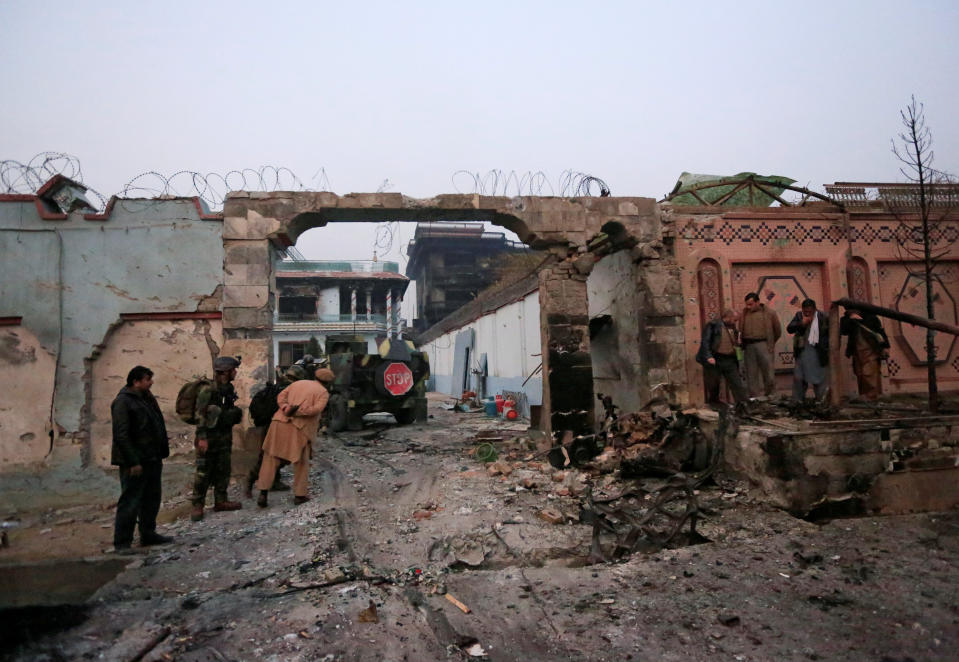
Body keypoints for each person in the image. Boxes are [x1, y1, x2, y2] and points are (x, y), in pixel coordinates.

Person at [111, 366, 172, 553]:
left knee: (151, 498)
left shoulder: (146, 399)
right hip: (136, 461)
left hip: (152, 457)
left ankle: (148, 533)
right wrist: (133, 461)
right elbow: (121, 435)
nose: (150, 382)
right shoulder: (123, 402)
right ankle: (122, 543)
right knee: (130, 501)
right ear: (136, 381)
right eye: (147, 379)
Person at [256, 367, 335, 508]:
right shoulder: (323, 392)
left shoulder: (298, 383)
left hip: (278, 423)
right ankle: (300, 495)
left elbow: (280, 397)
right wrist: (297, 412)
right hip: (300, 429)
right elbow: (316, 410)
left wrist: (286, 408)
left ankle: (263, 493)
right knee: (301, 462)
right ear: (328, 383)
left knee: (270, 458)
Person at [191, 356, 244, 521]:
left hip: (223, 436)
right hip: (208, 437)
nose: (235, 372)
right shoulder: (208, 390)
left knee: (223, 469)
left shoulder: (227, 388)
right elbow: (200, 415)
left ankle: (221, 500)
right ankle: (197, 505)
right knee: (203, 471)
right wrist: (201, 438)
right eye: (233, 370)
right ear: (226, 372)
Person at [244, 366, 302, 498]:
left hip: (270, 425)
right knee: (273, 457)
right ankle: (251, 480)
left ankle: (273, 481)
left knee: (272, 456)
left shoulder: (278, 386)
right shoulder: (288, 389)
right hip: (276, 427)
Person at [695, 309, 747, 405]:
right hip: (716, 358)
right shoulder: (713, 325)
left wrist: (738, 343)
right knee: (714, 384)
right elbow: (705, 342)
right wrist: (708, 356)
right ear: (729, 317)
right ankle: (714, 403)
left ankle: (742, 404)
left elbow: (736, 343)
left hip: (729, 359)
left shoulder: (733, 328)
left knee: (736, 383)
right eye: (734, 320)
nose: (735, 322)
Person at [840, 309, 890, 401]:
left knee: (869, 373)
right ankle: (865, 396)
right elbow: (843, 331)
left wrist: (885, 347)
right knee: (860, 373)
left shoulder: (871, 317)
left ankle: (872, 396)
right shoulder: (845, 319)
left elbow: (880, 331)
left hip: (871, 350)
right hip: (857, 352)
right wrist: (851, 320)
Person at [740, 292, 782, 397]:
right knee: (751, 374)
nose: (748, 307)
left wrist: (770, 343)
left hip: (764, 344)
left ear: (758, 302)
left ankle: (771, 396)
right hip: (749, 346)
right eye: (747, 305)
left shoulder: (769, 313)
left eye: (751, 304)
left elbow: (777, 331)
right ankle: (755, 398)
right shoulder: (744, 313)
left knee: (768, 373)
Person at [787, 299, 830, 402]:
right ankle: (797, 400)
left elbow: (831, 333)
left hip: (818, 353)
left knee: (819, 379)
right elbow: (789, 328)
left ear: (815, 309)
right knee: (799, 378)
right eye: (805, 311)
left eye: (809, 312)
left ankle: (821, 400)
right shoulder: (799, 316)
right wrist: (801, 324)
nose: (807, 314)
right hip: (803, 352)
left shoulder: (823, 317)